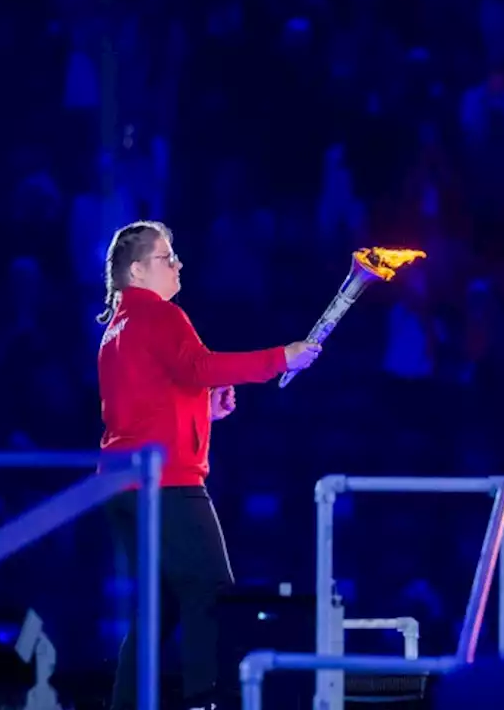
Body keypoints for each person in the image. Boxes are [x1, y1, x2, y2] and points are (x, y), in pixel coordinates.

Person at [95, 220, 321, 710]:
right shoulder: (161, 316)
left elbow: (149, 402)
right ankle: (206, 700)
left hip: (122, 489)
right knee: (211, 592)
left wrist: (204, 408)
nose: (178, 264)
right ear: (137, 270)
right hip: (166, 486)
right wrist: (282, 357)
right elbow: (198, 367)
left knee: (159, 608)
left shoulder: (119, 328)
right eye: (166, 256)